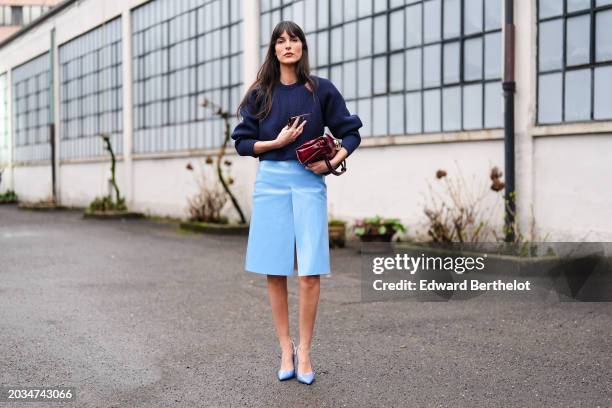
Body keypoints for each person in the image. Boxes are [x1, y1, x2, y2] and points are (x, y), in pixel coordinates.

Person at [231, 20, 362, 385]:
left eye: (294, 40)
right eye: (281, 41)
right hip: (271, 182)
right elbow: (243, 143)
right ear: (273, 50)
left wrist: (333, 161)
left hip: (308, 183)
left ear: (302, 47)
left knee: (309, 271)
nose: (288, 46)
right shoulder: (261, 93)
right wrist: (276, 141)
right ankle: (284, 347)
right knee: (275, 269)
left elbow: (351, 132)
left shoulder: (320, 90)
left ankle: (305, 350)